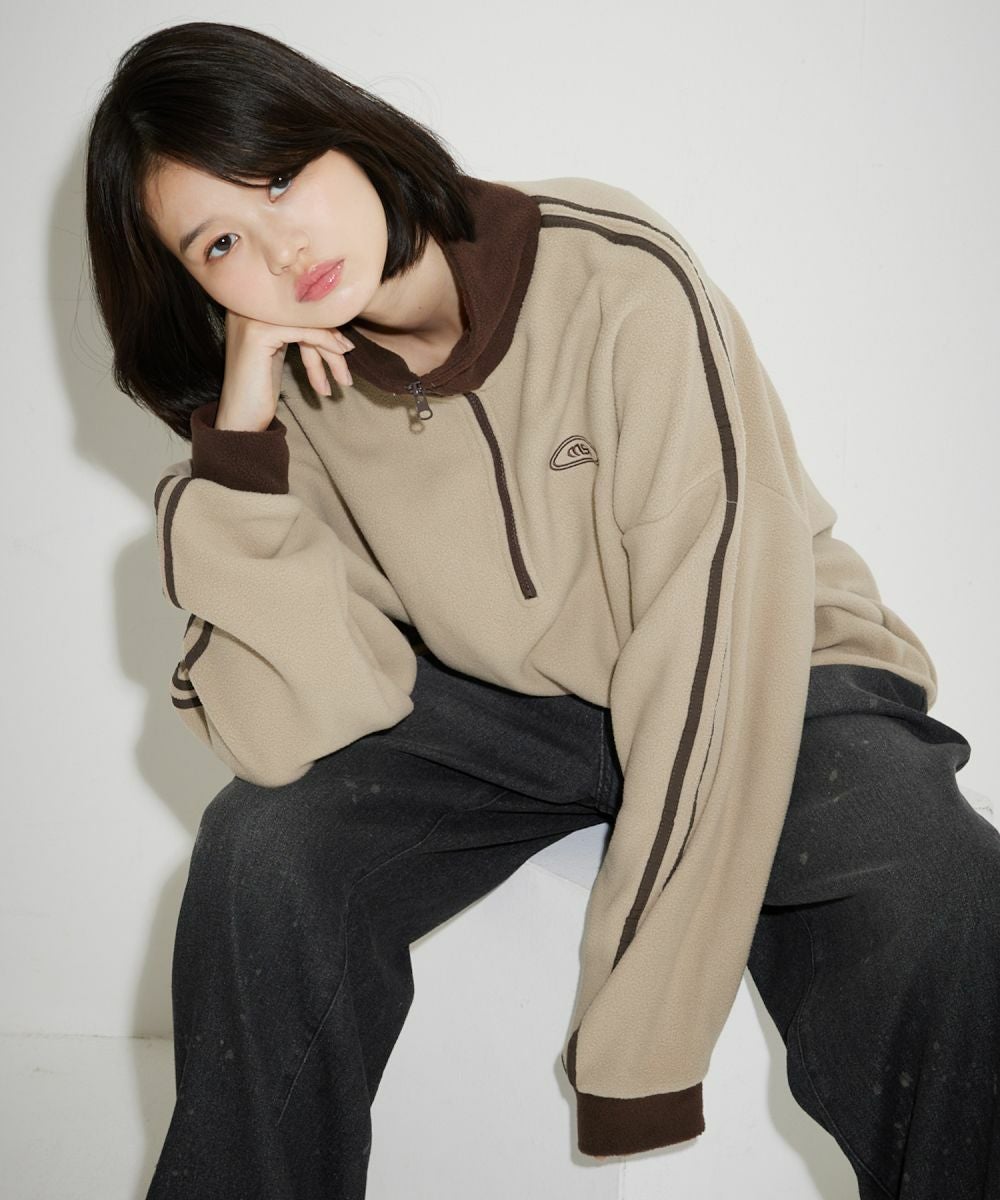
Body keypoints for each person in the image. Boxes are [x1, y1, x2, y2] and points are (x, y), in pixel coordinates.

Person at [84, 20, 999, 1200]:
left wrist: (640, 1040)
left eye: (278, 177)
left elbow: (712, 624)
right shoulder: (296, 398)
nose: (279, 247)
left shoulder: (610, 272)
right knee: (261, 853)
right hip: (504, 715)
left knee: (940, 890)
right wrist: (244, 445)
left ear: (346, 133)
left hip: (771, 657)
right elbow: (285, 733)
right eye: (219, 243)